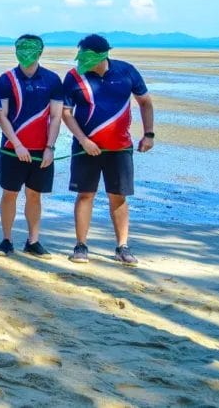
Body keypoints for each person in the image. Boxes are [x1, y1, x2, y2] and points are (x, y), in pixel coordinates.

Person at [61, 34, 154, 267]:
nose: (81, 61)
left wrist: (149, 134)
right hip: (85, 148)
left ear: (102, 55)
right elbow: (65, 113)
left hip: (120, 148)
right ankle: (81, 245)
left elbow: (145, 102)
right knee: (85, 194)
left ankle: (122, 246)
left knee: (118, 196)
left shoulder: (126, 71)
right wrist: (83, 140)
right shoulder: (74, 76)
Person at [0, 35, 64, 258]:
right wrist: (17, 144)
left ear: (40, 51)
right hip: (12, 148)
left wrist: (50, 148)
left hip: (41, 150)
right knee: (9, 193)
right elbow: (1, 115)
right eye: (20, 48)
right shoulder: (6, 79)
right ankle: (6, 240)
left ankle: (33, 241)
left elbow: (56, 116)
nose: (25, 52)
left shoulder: (52, 80)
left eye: (30, 49)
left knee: (34, 195)